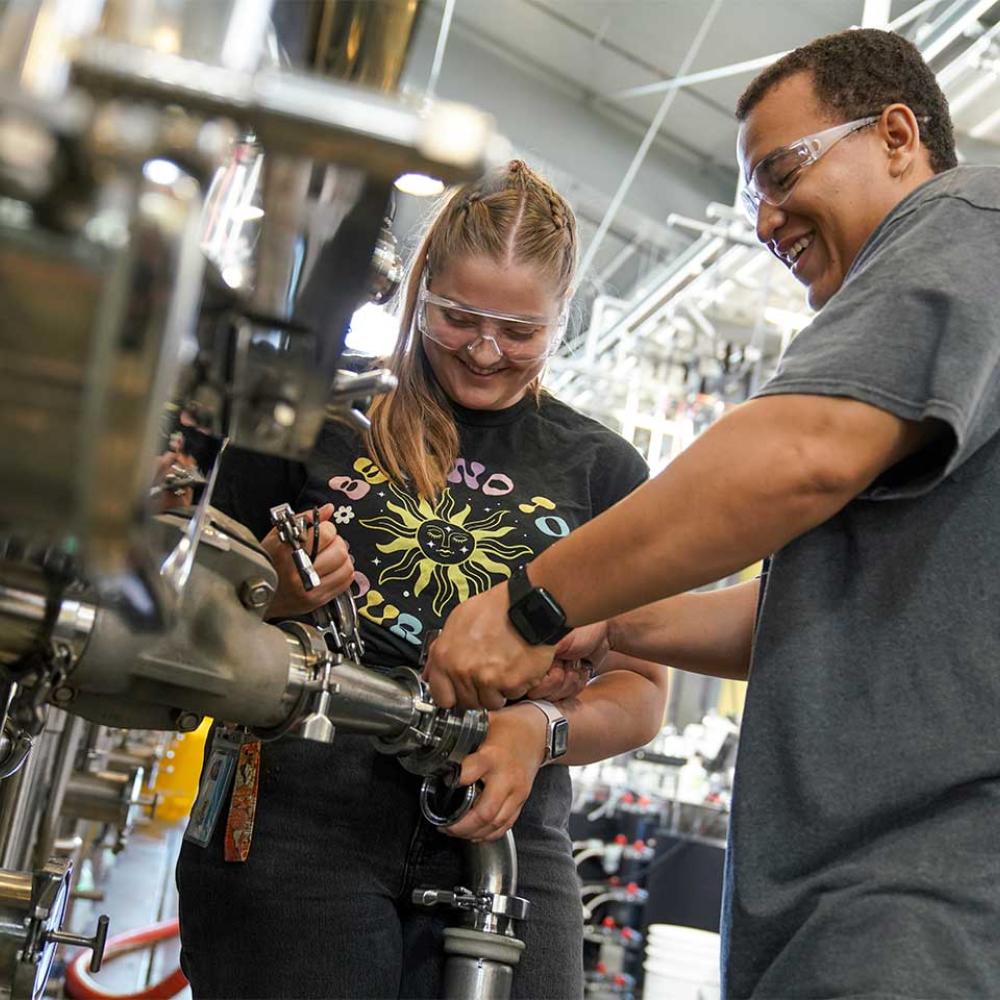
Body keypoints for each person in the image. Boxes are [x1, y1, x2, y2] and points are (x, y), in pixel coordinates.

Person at [424, 29, 1000, 998]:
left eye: (783, 172)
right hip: (866, 901)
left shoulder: (962, 225)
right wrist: (619, 626)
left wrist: (537, 603)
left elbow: (794, 457)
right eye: (752, 198)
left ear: (897, 135)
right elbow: (823, 611)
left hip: (920, 898)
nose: (767, 221)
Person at [176, 159, 669, 999]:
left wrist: (540, 729)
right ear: (420, 287)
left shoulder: (605, 469)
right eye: (458, 317)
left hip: (507, 823)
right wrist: (279, 595)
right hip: (300, 817)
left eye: (520, 331)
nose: (484, 350)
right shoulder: (316, 419)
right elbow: (185, 606)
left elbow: (640, 690)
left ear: (562, 319)